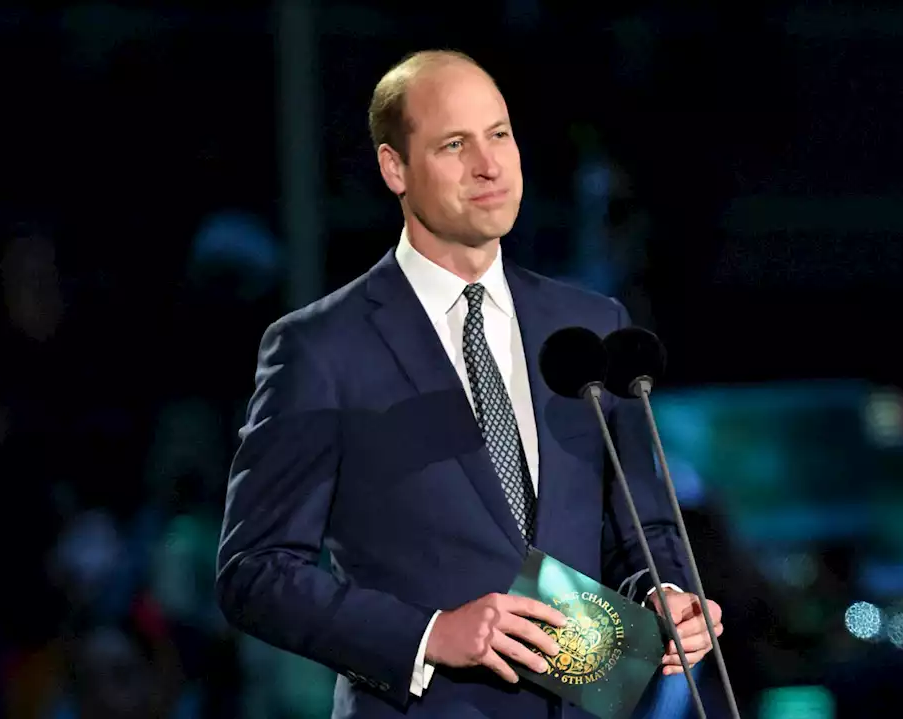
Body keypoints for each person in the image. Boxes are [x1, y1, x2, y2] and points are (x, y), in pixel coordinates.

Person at [216, 50, 722, 718]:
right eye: (455, 144)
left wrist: (670, 594)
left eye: (500, 135)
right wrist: (427, 634)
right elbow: (254, 570)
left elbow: (643, 528)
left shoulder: (591, 326)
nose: (489, 165)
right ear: (394, 167)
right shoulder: (320, 347)